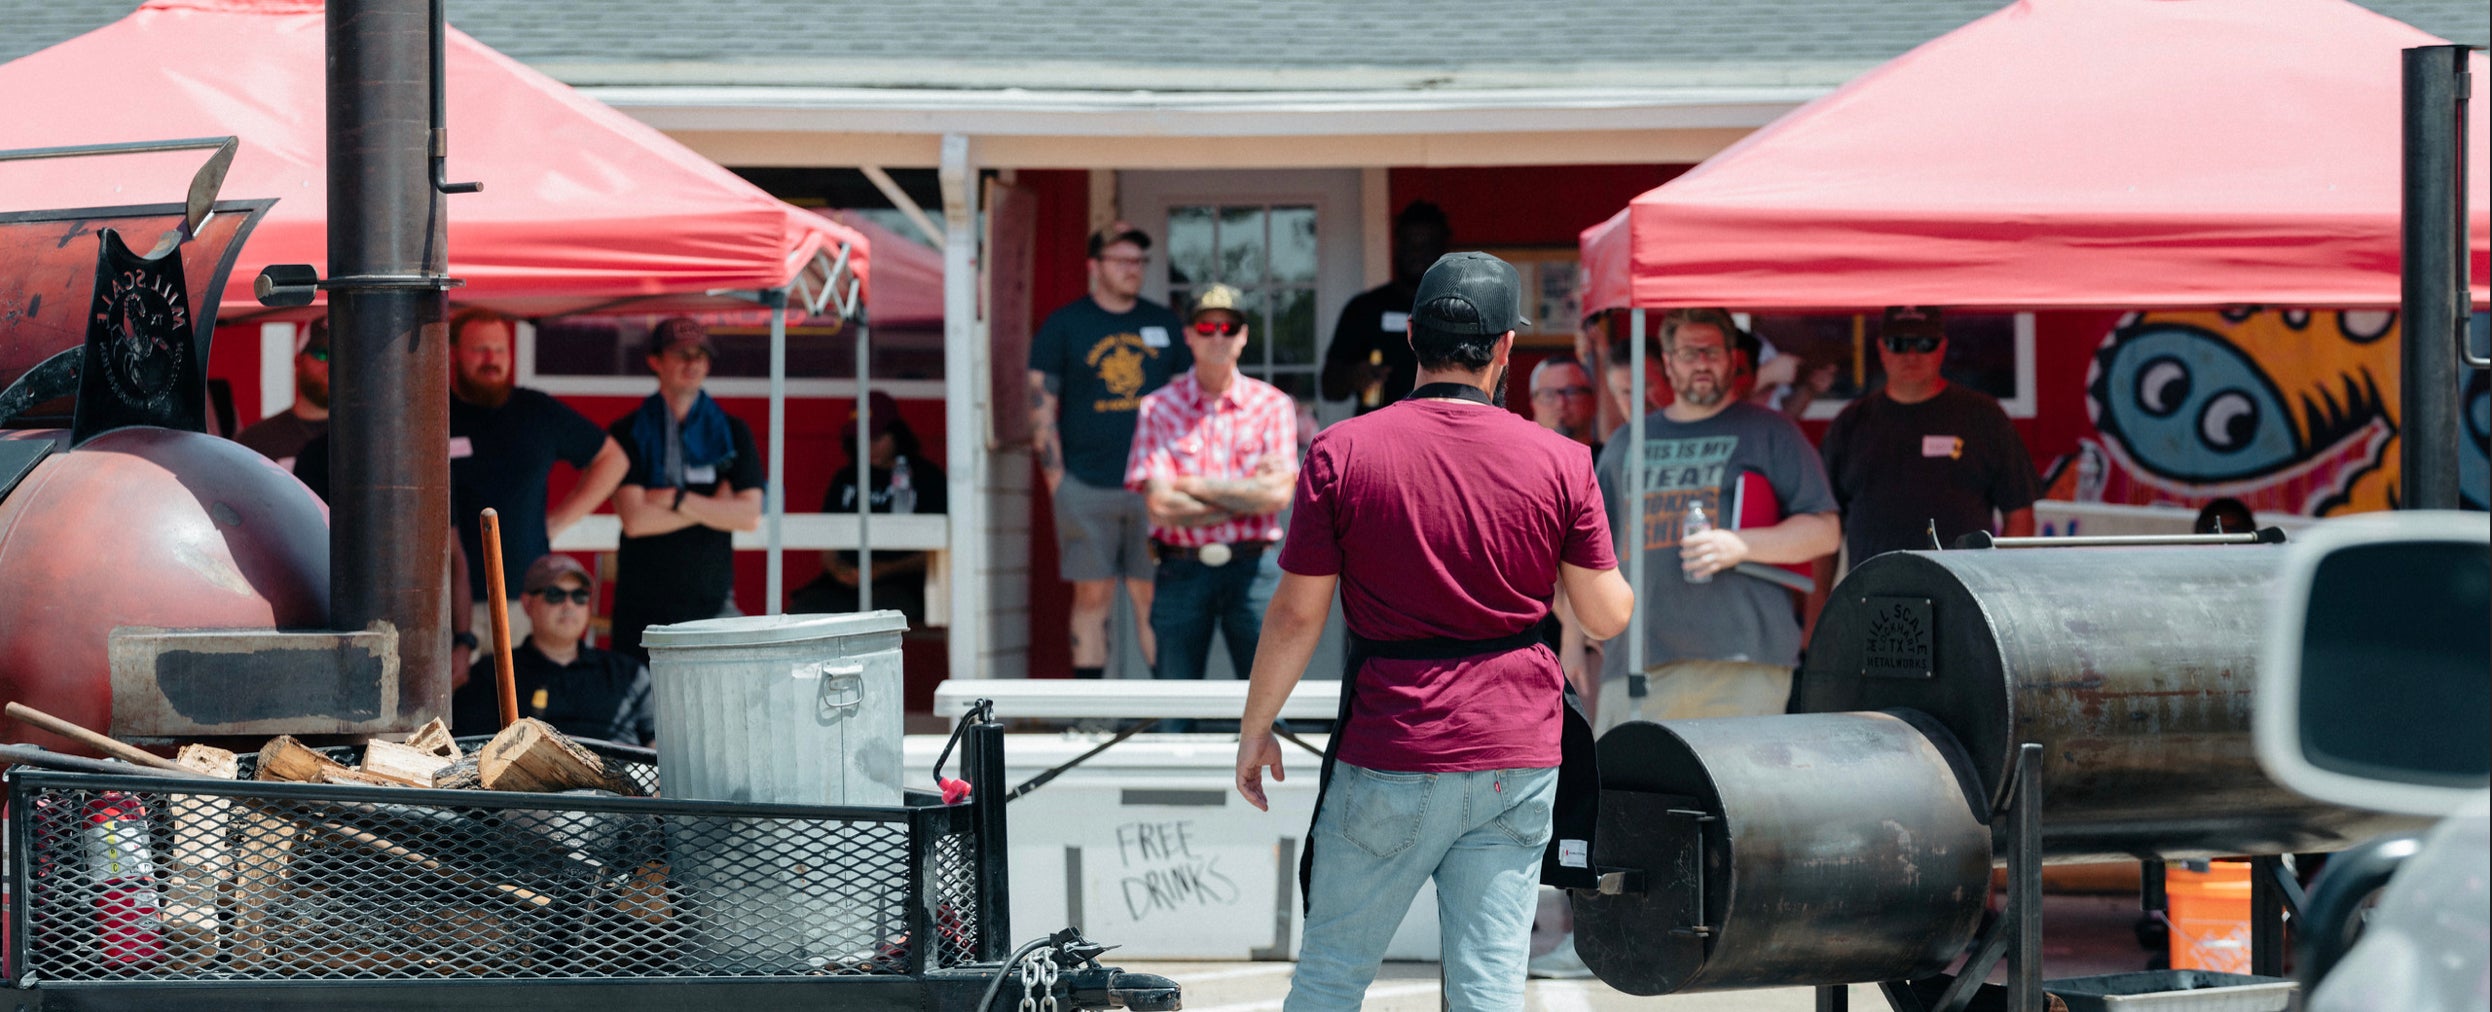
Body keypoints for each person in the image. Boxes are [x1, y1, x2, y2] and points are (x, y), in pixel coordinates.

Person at [1236, 252, 1634, 1010]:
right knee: (1488, 986)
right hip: (1516, 752)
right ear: (1507, 349)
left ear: (1413, 337)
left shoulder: (1341, 451)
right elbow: (1606, 614)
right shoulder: (1563, 460)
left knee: (1331, 976)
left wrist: (1257, 728)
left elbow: (1295, 614)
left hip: (1393, 743)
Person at [1594, 307, 1840, 729]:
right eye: (1689, 353)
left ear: (1732, 358)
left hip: (1743, 659)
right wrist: (1579, 630)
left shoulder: (1771, 432)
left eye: (1712, 351)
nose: (1702, 363)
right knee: (1633, 792)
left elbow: (1825, 532)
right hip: (1638, 662)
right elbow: (1587, 548)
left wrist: (1739, 545)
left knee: (1740, 795)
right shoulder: (1626, 442)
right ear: (1668, 363)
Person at [1028, 224, 1192, 679]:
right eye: (1121, 261)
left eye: (1138, 261)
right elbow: (1040, 402)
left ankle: (1168, 719)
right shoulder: (1066, 324)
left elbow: (1186, 403)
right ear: (1094, 267)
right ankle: (1089, 719)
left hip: (1152, 486)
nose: (1132, 270)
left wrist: (1177, 475)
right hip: (1085, 484)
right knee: (1091, 598)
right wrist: (1058, 481)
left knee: (1152, 599)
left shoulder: (1163, 323)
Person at [1125, 284, 1297, 682]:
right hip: (1180, 568)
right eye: (1206, 326)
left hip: (1253, 566)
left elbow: (1276, 495)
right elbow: (1161, 505)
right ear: (1188, 335)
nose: (1218, 335)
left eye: (1229, 326)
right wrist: (1245, 494)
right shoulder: (1158, 407)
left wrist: (1192, 485)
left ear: (1243, 335)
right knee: (1174, 707)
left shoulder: (1273, 405)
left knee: (1269, 703)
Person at [449, 308, 630, 641]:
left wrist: (559, 521)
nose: (492, 359)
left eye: (500, 350)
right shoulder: (436, 413)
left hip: (526, 600)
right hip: (448, 607)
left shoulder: (535, 411)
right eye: (479, 350)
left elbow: (613, 459)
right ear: (454, 353)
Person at [1818, 306, 2038, 563]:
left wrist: (1998, 584)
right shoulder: (1849, 424)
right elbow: (1825, 522)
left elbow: (2020, 514)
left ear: (1942, 347)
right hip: (1874, 594)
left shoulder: (1985, 417)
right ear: (1881, 349)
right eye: (1898, 343)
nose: (1911, 355)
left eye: (1924, 343)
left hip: (1962, 595)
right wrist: (1820, 601)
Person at [605, 318, 763, 662]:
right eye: (681, 354)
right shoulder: (627, 431)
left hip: (713, 603)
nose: (693, 363)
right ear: (655, 361)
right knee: (641, 711)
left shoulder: (733, 433)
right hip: (642, 607)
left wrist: (677, 499)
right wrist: (714, 508)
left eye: (701, 355)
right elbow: (636, 520)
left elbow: (749, 516)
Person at [452, 553, 654, 745]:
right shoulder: (492, 676)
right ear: (527, 604)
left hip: (623, 780)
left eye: (579, 595)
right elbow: (471, 753)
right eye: (555, 594)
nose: (569, 605)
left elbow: (660, 746)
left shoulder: (628, 674)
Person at [790, 390, 948, 626]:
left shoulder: (925, 477)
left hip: (903, 582)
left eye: (876, 438)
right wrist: (839, 570)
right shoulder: (846, 478)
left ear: (896, 434)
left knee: (878, 615)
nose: (869, 447)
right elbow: (827, 545)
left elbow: (936, 552)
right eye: (860, 439)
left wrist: (883, 570)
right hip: (843, 583)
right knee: (804, 612)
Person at [1320, 201, 1450, 415]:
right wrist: (1353, 377)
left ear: (1441, 249)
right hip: (1377, 434)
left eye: (1426, 245)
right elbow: (1329, 387)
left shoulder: (1456, 310)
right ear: (1397, 246)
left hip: (1439, 429)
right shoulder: (1364, 308)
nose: (1417, 253)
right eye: (1410, 244)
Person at [235, 317, 330, 470]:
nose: (331, 365)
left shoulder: (369, 439)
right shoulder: (256, 441)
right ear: (298, 361)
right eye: (322, 353)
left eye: (343, 355)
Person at [1528, 355, 1600, 453]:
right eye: (1548, 394)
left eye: (1572, 392)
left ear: (1592, 401)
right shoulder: (1520, 462)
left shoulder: (1611, 463)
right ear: (1533, 404)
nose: (1561, 404)